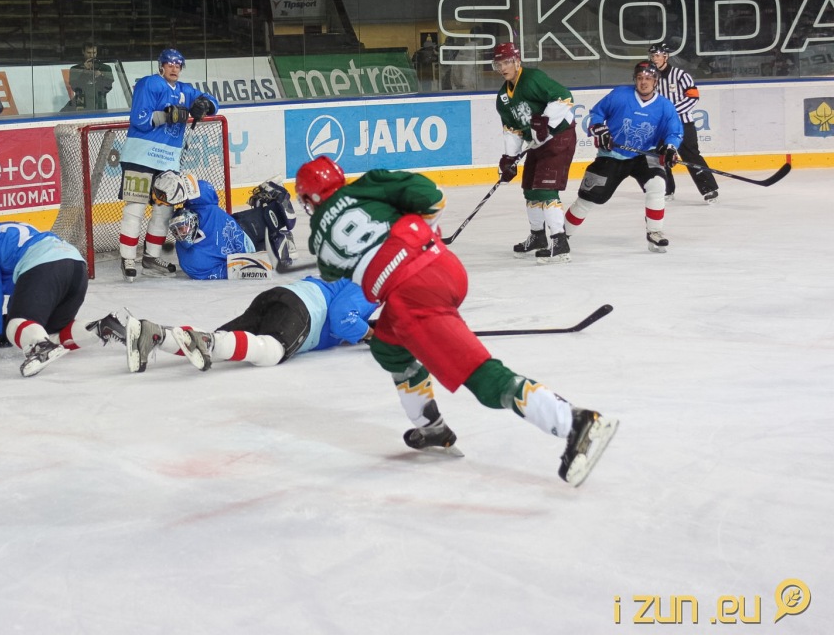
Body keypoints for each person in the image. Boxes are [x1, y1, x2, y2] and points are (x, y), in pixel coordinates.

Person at [293, 156, 618, 486]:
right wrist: (421, 229)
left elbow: (343, 275)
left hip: (413, 296)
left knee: (483, 379)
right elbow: (431, 196)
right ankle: (430, 427)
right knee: (388, 346)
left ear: (309, 198)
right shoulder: (369, 184)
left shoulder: (318, 241)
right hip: (444, 267)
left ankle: (576, 422)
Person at [0, 200, 125, 377]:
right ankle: (101, 327)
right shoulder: (7, 231)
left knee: (15, 327)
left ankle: (41, 348)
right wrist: (2, 326)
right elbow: (22, 289)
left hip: (45, 266)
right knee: (48, 331)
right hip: (76, 266)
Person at [124, 277, 378, 373]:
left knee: (221, 343)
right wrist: (369, 334)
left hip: (279, 297)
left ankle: (153, 334)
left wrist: (368, 330)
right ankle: (208, 341)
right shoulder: (372, 281)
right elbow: (342, 317)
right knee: (272, 350)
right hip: (303, 308)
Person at [118, 48, 218, 282]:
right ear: (161, 66)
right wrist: (166, 115)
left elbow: (214, 101)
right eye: (170, 64)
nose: (174, 68)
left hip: (167, 162)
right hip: (140, 157)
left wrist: (205, 104)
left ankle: (151, 258)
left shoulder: (184, 90)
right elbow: (139, 120)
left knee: (163, 212)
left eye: (178, 65)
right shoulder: (149, 84)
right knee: (135, 208)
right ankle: (127, 259)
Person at [564, 61, 684, 253]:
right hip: (612, 154)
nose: (643, 82)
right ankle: (561, 236)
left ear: (656, 81)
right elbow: (597, 113)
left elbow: (674, 132)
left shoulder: (665, 106)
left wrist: (670, 148)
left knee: (657, 185)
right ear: (635, 80)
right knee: (587, 198)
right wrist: (598, 128)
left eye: (648, 78)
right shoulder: (620, 94)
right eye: (640, 78)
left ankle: (654, 232)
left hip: (644, 155)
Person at [490, 42, 579, 264]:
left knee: (545, 189)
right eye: (499, 64)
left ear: (517, 61)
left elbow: (564, 97)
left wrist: (546, 121)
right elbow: (513, 129)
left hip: (559, 136)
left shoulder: (532, 78)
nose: (503, 67)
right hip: (537, 143)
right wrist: (510, 158)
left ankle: (559, 241)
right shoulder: (503, 98)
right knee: (530, 188)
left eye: (507, 62)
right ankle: (538, 236)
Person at [154, 174, 297, 280]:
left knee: (284, 217)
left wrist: (184, 187)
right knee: (277, 256)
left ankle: (267, 196)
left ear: (193, 220)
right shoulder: (189, 262)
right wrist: (251, 265)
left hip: (244, 225)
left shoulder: (201, 207)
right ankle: (280, 237)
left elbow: (204, 189)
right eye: (177, 231)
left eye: (183, 227)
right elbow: (224, 271)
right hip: (249, 251)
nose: (182, 233)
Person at [648, 43, 719, 203]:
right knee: (660, 158)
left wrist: (671, 111)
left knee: (691, 156)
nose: (654, 59)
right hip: (661, 127)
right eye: (652, 56)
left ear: (666, 56)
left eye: (657, 55)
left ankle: (709, 189)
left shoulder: (680, 75)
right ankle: (666, 190)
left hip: (683, 124)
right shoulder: (651, 77)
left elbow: (693, 97)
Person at [63, 42, 115, 112]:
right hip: (81, 107)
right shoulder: (75, 69)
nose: (91, 56)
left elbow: (107, 88)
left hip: (100, 106)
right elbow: (75, 87)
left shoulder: (105, 68)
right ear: (83, 52)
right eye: (89, 53)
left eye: (94, 53)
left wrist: (99, 75)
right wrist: (85, 72)